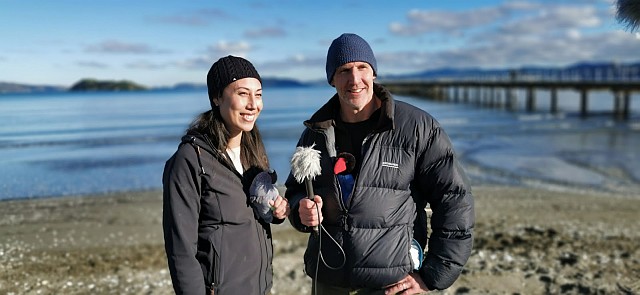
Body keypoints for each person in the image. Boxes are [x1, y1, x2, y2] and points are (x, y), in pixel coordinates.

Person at [284, 33, 475, 294]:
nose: (354, 79)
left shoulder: (416, 127)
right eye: (344, 70)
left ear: (373, 73)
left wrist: (432, 276)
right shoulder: (315, 133)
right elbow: (295, 190)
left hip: (391, 282)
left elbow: (454, 199)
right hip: (327, 276)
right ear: (332, 79)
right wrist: (299, 211)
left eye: (362, 67)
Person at [162, 55, 290, 295]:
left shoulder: (252, 149)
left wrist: (277, 211)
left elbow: (256, 207)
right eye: (243, 93)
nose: (254, 104)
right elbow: (180, 250)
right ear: (217, 98)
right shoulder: (190, 159)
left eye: (259, 94)